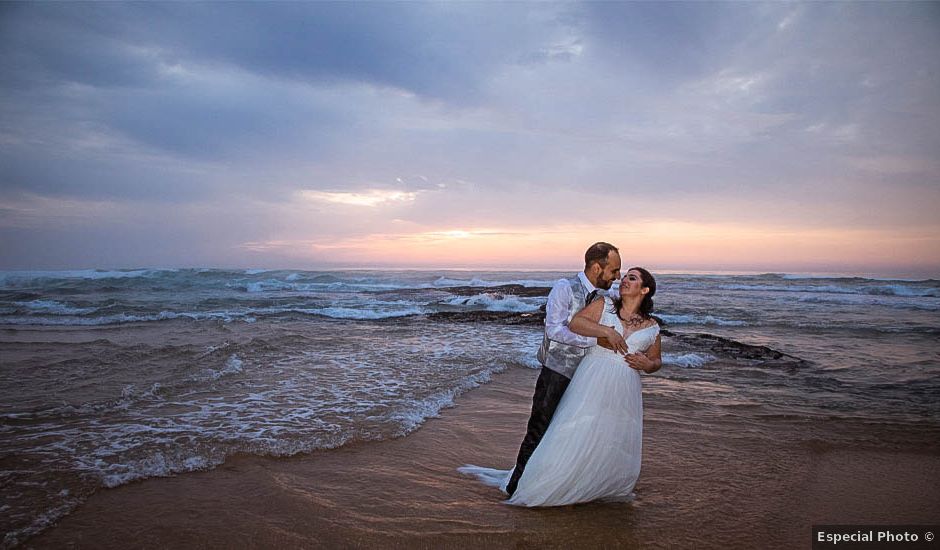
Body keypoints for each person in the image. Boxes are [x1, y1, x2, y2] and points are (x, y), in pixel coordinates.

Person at [458, 267, 662, 506]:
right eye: (625, 275)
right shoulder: (605, 305)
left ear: (645, 290)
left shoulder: (652, 327)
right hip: (593, 376)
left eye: (632, 278)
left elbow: (657, 360)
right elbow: (576, 323)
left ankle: (595, 483)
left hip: (624, 386)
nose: (624, 280)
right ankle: (550, 481)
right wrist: (606, 331)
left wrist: (647, 364)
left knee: (610, 435)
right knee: (573, 428)